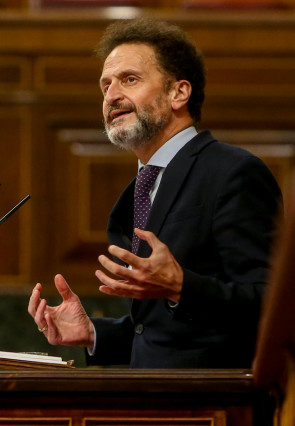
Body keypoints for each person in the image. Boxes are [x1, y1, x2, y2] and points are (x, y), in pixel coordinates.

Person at [28, 18, 282, 368]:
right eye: (105, 86)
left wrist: (181, 287)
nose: (111, 95)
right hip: (153, 403)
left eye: (129, 79)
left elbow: (274, 305)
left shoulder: (232, 172)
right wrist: (93, 334)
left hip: (216, 408)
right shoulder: (137, 191)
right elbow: (157, 333)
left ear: (179, 92)